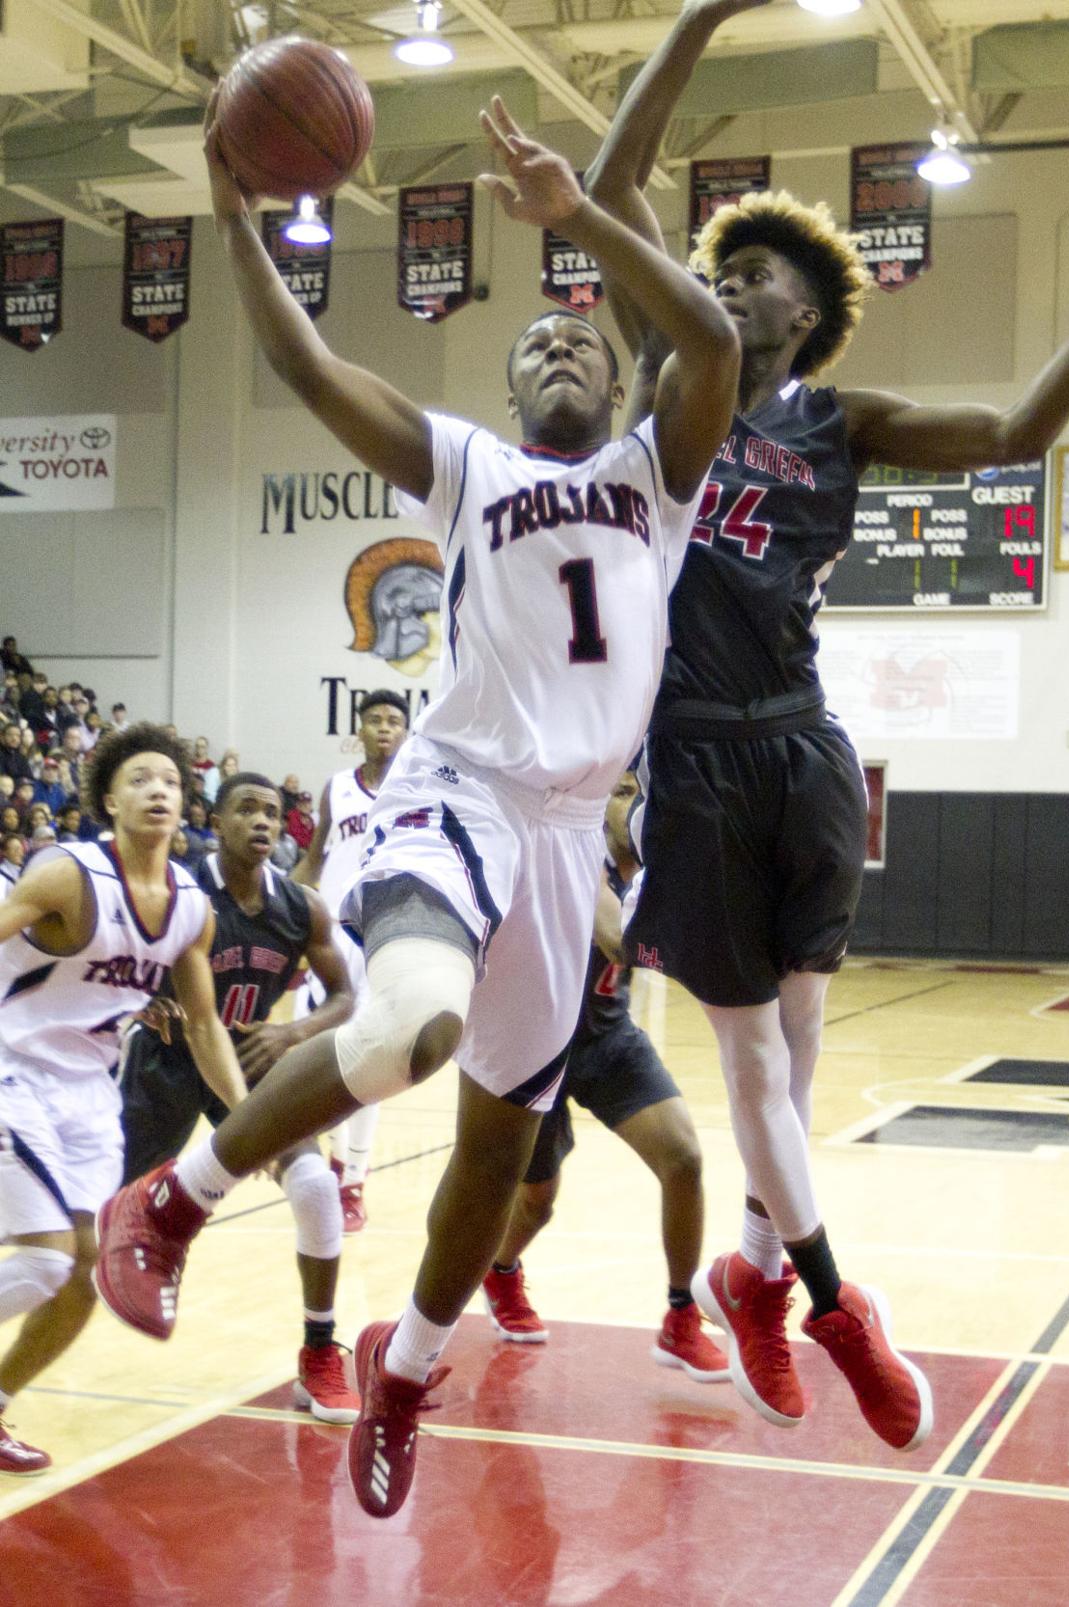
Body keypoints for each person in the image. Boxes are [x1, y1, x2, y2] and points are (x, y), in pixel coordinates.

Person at [93, 93, 737, 1520]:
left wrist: (581, 223)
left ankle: (408, 1363)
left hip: (572, 838)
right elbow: (307, 364)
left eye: (582, 333)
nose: (564, 341)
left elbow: (714, 342)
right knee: (409, 1031)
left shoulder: (656, 473)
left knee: (499, 1154)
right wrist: (237, 223)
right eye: (537, 342)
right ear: (508, 396)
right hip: (461, 788)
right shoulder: (470, 466)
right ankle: (177, 1197)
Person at [582, 0, 1069, 1452]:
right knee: (746, 1067)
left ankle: (750, 1270)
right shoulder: (675, 384)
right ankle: (839, 1304)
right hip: (697, 748)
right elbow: (612, 195)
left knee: (793, 1051)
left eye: (758, 271)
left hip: (803, 739)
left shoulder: (840, 423)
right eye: (715, 266)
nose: (729, 280)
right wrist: (702, 18)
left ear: (814, 307)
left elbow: (1019, 436)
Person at [0, 724, 247, 1473]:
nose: (159, 790)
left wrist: (248, 1119)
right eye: (140, 779)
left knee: (82, 1279)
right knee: (46, 1262)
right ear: (109, 799)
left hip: (89, 1092)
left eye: (171, 781)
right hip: (12, 1068)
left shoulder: (190, 910)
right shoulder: (66, 875)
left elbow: (203, 1022)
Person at [118, 772, 359, 1422]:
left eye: (272, 812)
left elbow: (344, 995)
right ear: (215, 823)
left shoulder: (300, 905)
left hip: (249, 1061)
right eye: (245, 808)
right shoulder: (177, 890)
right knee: (99, 1223)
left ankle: (318, 1349)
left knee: (314, 1185)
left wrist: (294, 1029)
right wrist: (142, 1001)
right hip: (166, 1064)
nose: (261, 821)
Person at [483, 772, 726, 1380]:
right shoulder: (578, 851)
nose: (632, 803)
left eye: (638, 792)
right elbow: (618, 939)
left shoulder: (652, 867)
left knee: (684, 1158)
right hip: (537, 1045)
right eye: (619, 791)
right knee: (536, 1204)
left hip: (608, 1040)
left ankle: (680, 1319)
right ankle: (501, 1271)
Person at [292, 690, 409, 1231]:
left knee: (374, 1063)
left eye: (394, 721)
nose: (384, 728)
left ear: (405, 733)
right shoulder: (337, 788)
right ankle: (303, 1161)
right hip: (330, 938)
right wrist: (278, 907)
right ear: (358, 730)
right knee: (302, 1057)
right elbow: (313, 860)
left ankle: (353, 1179)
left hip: (386, 936)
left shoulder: (416, 787)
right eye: (376, 720)